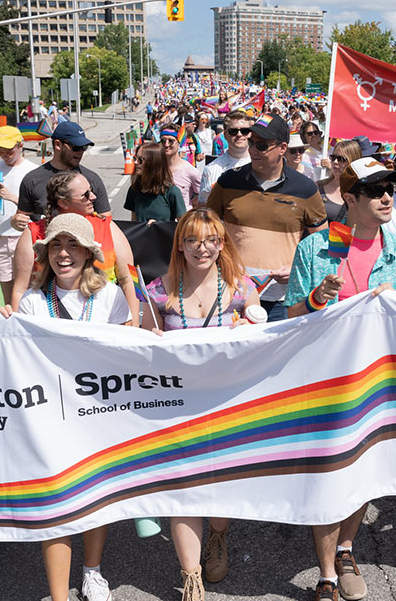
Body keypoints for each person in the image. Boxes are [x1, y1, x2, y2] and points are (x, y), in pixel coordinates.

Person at [284, 156, 396, 601]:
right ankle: (326, 573)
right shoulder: (316, 248)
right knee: (329, 472)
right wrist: (315, 299)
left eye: (391, 188)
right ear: (349, 198)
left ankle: (346, 547)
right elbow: (290, 317)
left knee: (365, 468)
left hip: (380, 383)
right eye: (376, 190)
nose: (388, 196)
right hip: (328, 381)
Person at [0, 214, 128, 601]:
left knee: (96, 497)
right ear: (45, 253)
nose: (64, 254)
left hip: (98, 414)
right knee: (57, 503)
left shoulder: (110, 297)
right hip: (51, 419)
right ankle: (58, 594)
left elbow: (125, 356)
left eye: (72, 245)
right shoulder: (33, 303)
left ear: (88, 253)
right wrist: (5, 321)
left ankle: (92, 572)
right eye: (56, 245)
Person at [140, 208, 259, 601]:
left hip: (229, 406)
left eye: (211, 240)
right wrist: (149, 335)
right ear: (180, 245)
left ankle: (218, 537)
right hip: (177, 410)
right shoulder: (159, 290)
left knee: (221, 487)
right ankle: (191, 576)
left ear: (222, 244)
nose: (202, 248)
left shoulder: (241, 288)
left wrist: (250, 327)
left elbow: (265, 343)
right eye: (192, 239)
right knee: (183, 489)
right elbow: (138, 350)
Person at [206, 113, 327, 320]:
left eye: (261, 146)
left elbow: (322, 243)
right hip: (232, 295)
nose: (253, 150)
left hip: (282, 300)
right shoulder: (228, 181)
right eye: (251, 143)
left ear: (282, 148)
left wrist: (296, 266)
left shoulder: (305, 189)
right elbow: (206, 229)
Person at [10, 173, 139, 324]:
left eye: (74, 244)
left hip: (101, 318)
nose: (93, 197)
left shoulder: (107, 226)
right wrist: (16, 326)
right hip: (51, 319)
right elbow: (20, 288)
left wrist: (134, 324)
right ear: (63, 203)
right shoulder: (33, 233)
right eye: (85, 194)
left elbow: (130, 279)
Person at [14, 121, 110, 226]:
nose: (81, 152)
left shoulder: (92, 179)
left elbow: (106, 223)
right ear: (58, 145)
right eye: (76, 147)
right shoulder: (32, 180)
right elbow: (22, 220)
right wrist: (15, 222)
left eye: (84, 147)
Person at [0, 125, 39, 303]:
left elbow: (40, 209)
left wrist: (13, 198)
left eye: (9, 149)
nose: (5, 154)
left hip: (23, 238)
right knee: (8, 298)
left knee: (28, 293)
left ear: (20, 146)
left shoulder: (33, 171)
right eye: (0, 150)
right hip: (0, 237)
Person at [199, 111, 253, 204]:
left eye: (244, 131)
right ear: (225, 135)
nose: (239, 134)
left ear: (250, 134)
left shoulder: (263, 166)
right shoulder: (211, 169)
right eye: (233, 131)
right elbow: (203, 207)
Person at [125, 142, 186, 222]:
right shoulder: (134, 190)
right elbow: (134, 221)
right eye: (135, 158)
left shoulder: (172, 192)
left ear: (153, 163)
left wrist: (159, 226)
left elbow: (183, 226)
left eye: (140, 160)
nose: (136, 163)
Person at [318, 140, 362, 223]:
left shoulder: (361, 193)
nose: (335, 162)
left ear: (352, 162)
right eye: (333, 157)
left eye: (341, 159)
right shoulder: (317, 187)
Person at [159, 125, 202, 207]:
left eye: (171, 141)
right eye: (163, 141)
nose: (166, 144)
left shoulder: (191, 171)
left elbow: (202, 196)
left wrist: (187, 208)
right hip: (160, 219)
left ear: (179, 144)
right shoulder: (154, 168)